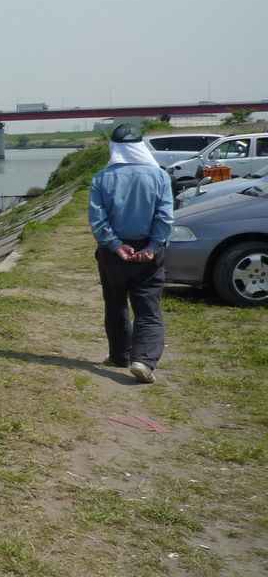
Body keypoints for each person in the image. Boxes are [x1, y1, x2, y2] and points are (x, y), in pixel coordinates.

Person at [88, 123, 173, 384]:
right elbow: (164, 217)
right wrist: (152, 247)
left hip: (112, 254)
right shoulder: (159, 176)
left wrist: (115, 245)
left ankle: (119, 356)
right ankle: (143, 361)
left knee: (115, 304)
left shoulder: (102, 178)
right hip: (148, 252)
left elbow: (98, 219)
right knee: (148, 308)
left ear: (114, 147)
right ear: (140, 145)